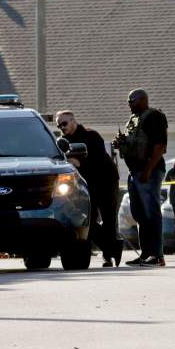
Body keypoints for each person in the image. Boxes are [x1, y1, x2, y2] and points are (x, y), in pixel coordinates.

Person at [56, 110, 121, 267]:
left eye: (64, 123)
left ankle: (108, 256)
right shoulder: (63, 142)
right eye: (59, 125)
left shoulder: (91, 135)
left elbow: (99, 160)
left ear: (73, 121)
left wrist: (80, 163)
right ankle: (112, 248)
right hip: (87, 185)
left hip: (106, 182)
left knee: (109, 219)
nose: (61, 127)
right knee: (88, 220)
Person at [112, 89, 168, 267]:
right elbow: (134, 143)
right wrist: (121, 142)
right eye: (128, 101)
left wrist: (148, 170)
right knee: (139, 214)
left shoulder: (155, 117)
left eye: (132, 100)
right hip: (134, 171)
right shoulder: (134, 120)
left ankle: (157, 256)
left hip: (148, 172)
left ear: (143, 100)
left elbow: (160, 146)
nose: (129, 104)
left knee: (151, 213)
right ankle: (146, 254)